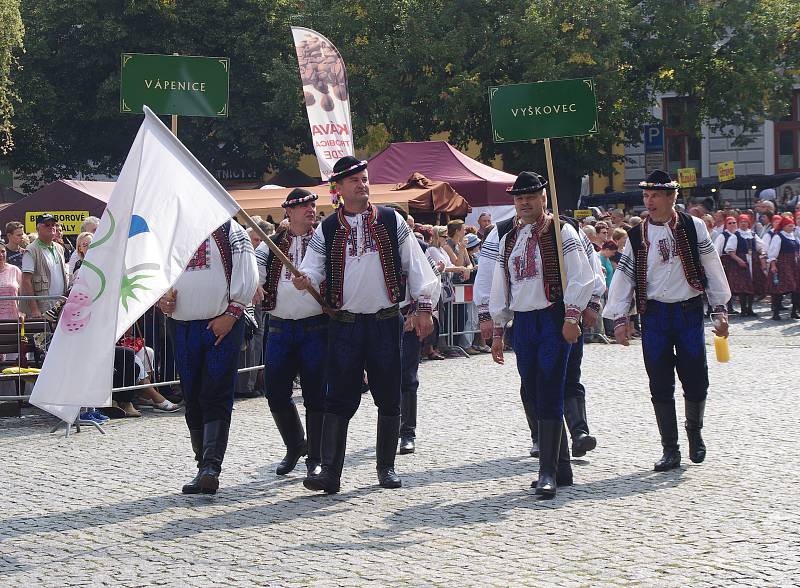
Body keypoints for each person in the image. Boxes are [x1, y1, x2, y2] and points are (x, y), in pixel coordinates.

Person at [294, 155, 439, 494]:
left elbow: (416, 266)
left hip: (385, 322)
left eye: (364, 178)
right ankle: (330, 472)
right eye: (354, 180)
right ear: (340, 188)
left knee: (389, 396)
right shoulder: (328, 228)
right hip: (344, 325)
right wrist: (305, 279)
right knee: (338, 399)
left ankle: (385, 468)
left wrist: (424, 307)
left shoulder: (392, 220)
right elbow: (313, 267)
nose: (362, 184)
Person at [604, 170, 731, 472]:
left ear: (672, 197)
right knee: (659, 382)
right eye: (646, 196)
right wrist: (620, 317)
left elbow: (711, 266)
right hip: (655, 315)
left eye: (656, 196)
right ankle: (669, 449)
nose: (649, 202)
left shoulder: (693, 226)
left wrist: (720, 308)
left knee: (696, 379)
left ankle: (694, 433)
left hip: (688, 312)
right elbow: (624, 277)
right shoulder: (636, 235)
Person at [488, 171, 594, 498]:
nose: (524, 203)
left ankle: (546, 471)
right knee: (532, 390)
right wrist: (497, 329)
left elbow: (581, 276)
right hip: (523, 321)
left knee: (549, 389)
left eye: (530, 197)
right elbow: (501, 285)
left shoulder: (562, 232)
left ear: (543, 197)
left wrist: (572, 315)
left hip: (552, 317)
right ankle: (562, 467)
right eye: (519, 198)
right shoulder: (509, 238)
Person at [159, 218, 258, 495]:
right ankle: (201, 465)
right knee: (192, 394)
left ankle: (211, 467)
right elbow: (158, 273)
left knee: (215, 391)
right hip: (182, 324)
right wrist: (161, 300)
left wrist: (233, 312)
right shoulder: (172, 231)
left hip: (221, 324)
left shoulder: (230, 230)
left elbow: (247, 274)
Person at [255, 188, 327, 477]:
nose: (310, 209)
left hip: (315, 328)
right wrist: (254, 285)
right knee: (276, 393)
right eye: (303, 206)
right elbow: (256, 269)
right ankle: (296, 444)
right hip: (280, 327)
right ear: (289, 211)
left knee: (315, 395)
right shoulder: (271, 245)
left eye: (312, 205)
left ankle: (316, 458)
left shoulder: (323, 242)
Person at [20, 214, 68, 317]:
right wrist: (34, 309)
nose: (51, 227)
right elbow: (26, 280)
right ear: (38, 228)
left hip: (60, 306)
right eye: (47, 225)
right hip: (43, 308)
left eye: (53, 224)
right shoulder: (31, 250)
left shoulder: (59, 248)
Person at [723, 214, 766, 316]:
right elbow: (730, 251)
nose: (743, 223)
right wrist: (739, 260)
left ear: (748, 223)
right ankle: (743, 309)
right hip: (741, 263)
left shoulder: (752, 234)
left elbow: (761, 247)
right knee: (743, 287)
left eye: (745, 221)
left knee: (752, 284)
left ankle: (750, 308)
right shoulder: (735, 235)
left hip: (753, 261)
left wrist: (761, 254)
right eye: (741, 221)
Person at [766, 215, 799, 320]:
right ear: (784, 226)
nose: (791, 228)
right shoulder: (778, 237)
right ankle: (776, 313)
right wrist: (773, 265)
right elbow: (773, 253)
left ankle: (794, 311)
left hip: (794, 265)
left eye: (792, 226)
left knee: (796, 288)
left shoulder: (794, 237)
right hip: (783, 265)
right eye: (789, 226)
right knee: (779, 289)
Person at [0, 243, 23, 321]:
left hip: (13, 320)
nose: (1, 254)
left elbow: (24, 293)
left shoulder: (14, 270)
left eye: (3, 251)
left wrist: (22, 311)